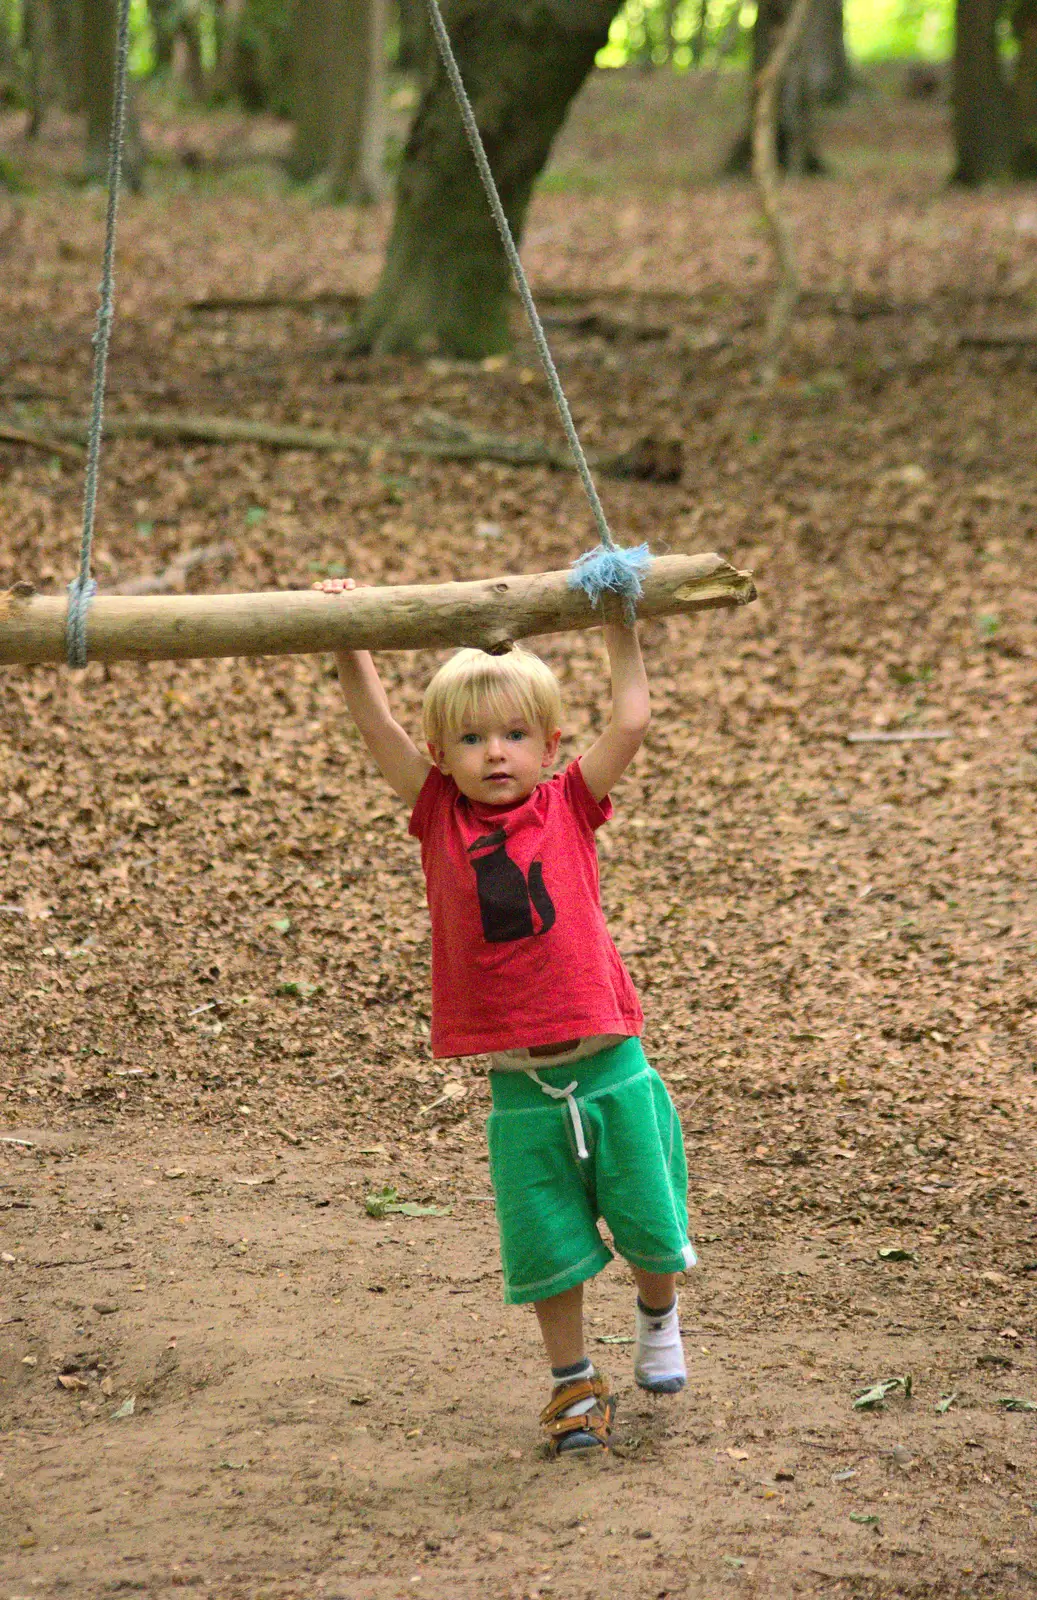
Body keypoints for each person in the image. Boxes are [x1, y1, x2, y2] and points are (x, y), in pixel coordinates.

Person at [317, 576, 696, 1455]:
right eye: (472, 738)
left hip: (611, 1068)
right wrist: (348, 638)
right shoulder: (435, 813)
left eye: (516, 735)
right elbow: (372, 725)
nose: (495, 753)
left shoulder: (568, 803)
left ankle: (656, 1311)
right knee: (545, 1244)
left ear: (549, 745)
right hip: (521, 1088)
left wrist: (619, 620)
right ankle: (571, 1387)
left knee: (647, 1221)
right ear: (440, 752)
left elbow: (633, 719)